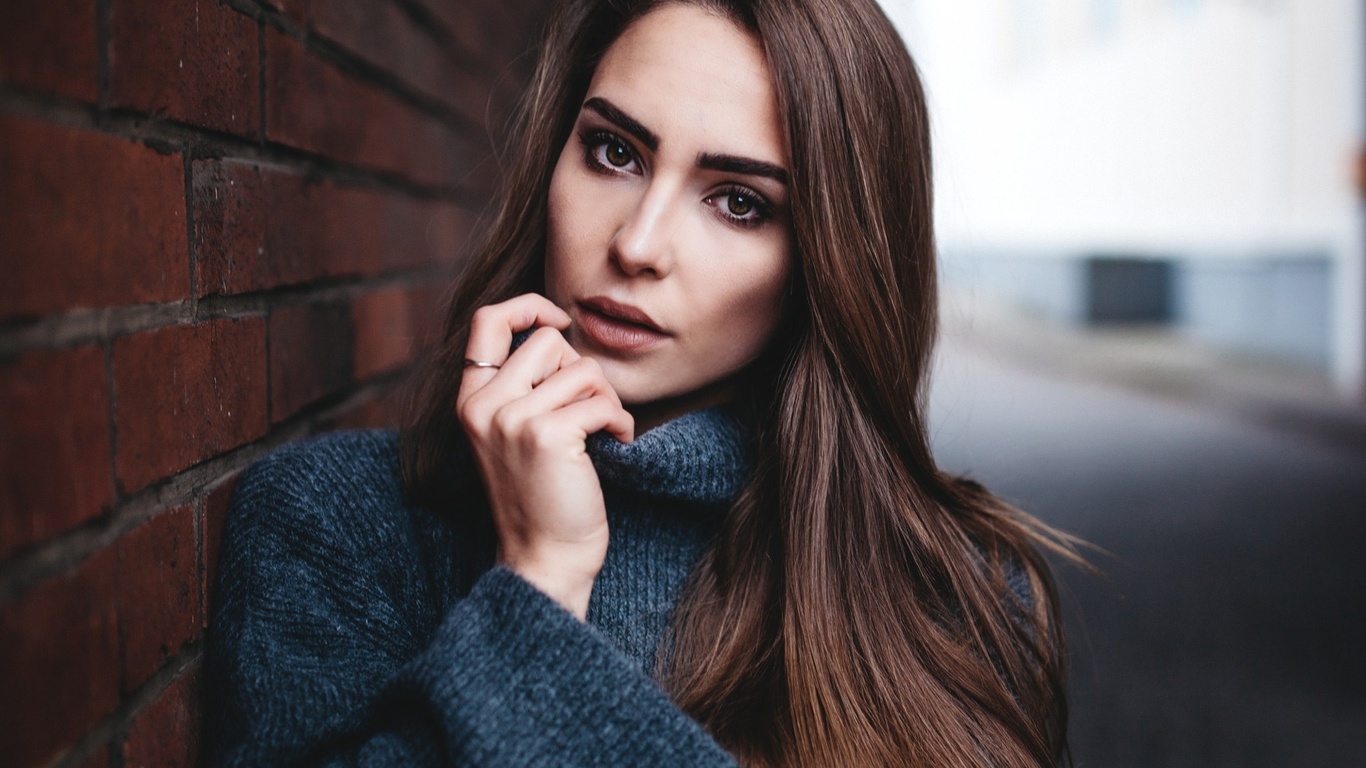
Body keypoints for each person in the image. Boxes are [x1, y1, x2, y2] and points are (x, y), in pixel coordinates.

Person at [204, 0, 1079, 765]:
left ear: (827, 261)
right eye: (614, 152)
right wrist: (539, 587)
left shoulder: (950, 588)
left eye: (739, 201)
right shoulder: (336, 525)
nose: (637, 245)